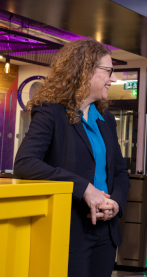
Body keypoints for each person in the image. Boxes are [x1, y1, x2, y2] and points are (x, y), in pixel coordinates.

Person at [14, 38, 130, 277]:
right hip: (70, 231)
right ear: (85, 71)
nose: (114, 79)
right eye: (108, 71)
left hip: (105, 233)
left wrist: (115, 205)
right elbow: (25, 163)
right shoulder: (51, 111)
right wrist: (83, 188)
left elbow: (119, 171)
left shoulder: (105, 119)